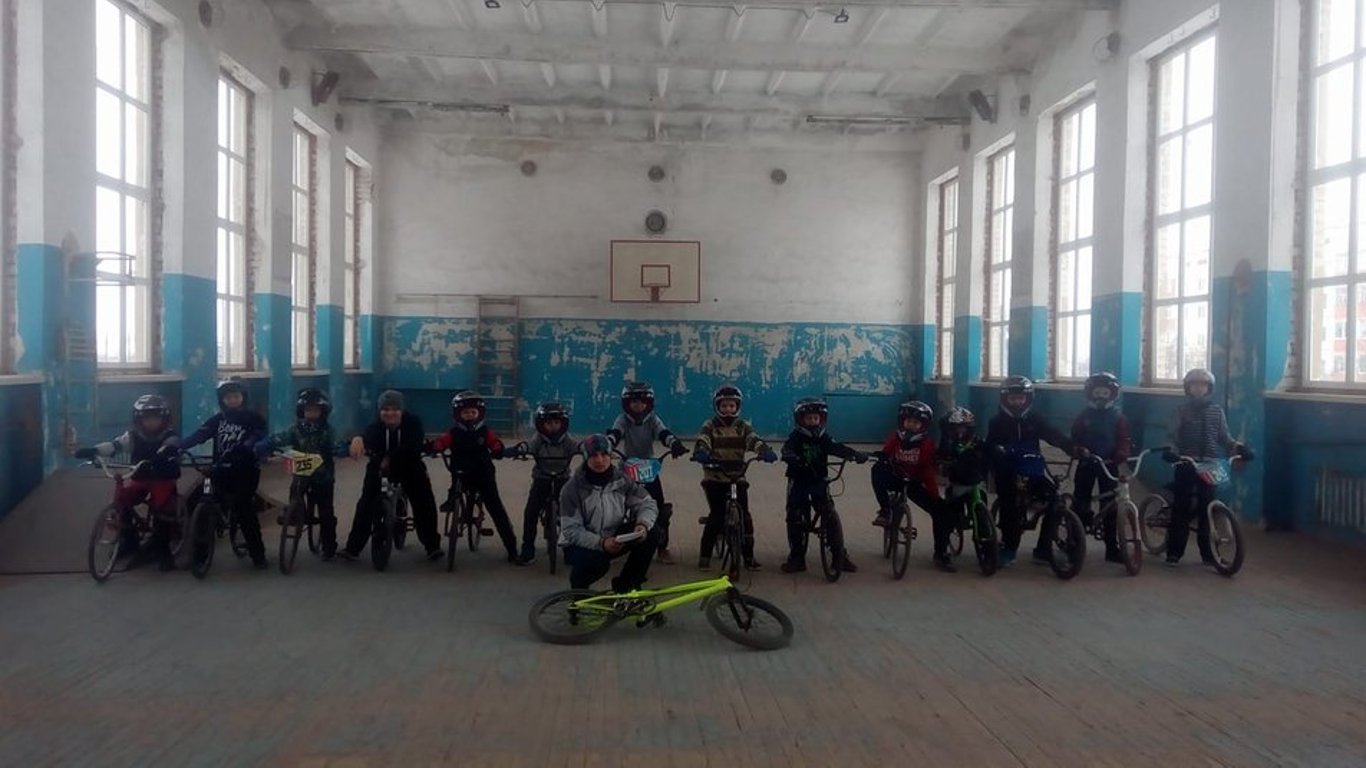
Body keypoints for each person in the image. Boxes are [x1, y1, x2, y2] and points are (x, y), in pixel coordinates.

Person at [73, 394, 182, 571]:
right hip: (141, 477)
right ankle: (129, 540)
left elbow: (170, 447)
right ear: (139, 420)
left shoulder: (170, 436)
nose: (151, 422)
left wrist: (164, 454)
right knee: (123, 501)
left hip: (163, 479)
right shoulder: (132, 436)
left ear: (164, 419)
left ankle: (163, 551)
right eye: (147, 418)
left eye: (156, 418)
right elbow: (115, 446)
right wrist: (93, 451)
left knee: (162, 511)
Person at [337, 389, 443, 562]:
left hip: (410, 466)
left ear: (402, 410)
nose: (390, 413)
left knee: (424, 502)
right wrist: (358, 439)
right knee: (366, 504)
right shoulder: (376, 426)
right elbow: (368, 437)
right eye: (385, 409)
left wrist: (390, 457)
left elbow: (413, 446)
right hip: (380, 467)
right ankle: (353, 548)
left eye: (395, 409)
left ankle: (432, 546)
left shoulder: (413, 423)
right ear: (380, 411)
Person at [1164, 368, 1253, 566]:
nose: (1198, 389)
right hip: (1186, 462)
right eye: (1194, 385)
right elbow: (1172, 436)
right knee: (1181, 507)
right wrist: (1171, 451)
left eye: (1203, 385)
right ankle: (1174, 551)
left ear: (1209, 388)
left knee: (1208, 507)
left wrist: (1239, 449)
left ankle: (1208, 553)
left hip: (1210, 465)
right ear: (1188, 388)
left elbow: (1225, 438)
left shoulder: (1217, 411)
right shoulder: (1181, 410)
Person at [985, 375, 1076, 568]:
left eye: (1021, 398)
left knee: (1055, 501)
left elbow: (1053, 435)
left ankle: (1043, 549)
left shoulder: (1035, 419)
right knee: (1010, 507)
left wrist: (1072, 448)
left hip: (1032, 470)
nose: (1017, 402)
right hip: (1007, 472)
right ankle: (1009, 548)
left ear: (1028, 399)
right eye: (1013, 399)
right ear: (1004, 399)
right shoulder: (996, 422)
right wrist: (997, 451)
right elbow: (990, 446)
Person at [180, 379, 269, 568]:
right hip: (220, 469)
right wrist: (179, 447)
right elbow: (200, 435)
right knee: (197, 502)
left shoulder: (253, 418)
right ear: (222, 400)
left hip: (246, 471)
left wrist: (248, 446)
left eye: (236, 396)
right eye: (228, 397)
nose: (232, 400)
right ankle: (199, 556)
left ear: (243, 397)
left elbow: (259, 436)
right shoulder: (218, 420)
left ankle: (258, 555)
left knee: (243, 508)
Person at [425, 391, 520, 564]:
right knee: (455, 485)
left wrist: (498, 449)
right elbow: (442, 442)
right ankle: (452, 499)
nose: (469, 415)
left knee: (496, 508)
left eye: (473, 412)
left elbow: (495, 443)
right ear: (458, 415)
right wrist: (434, 447)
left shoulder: (485, 432)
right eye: (465, 412)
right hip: (461, 473)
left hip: (483, 474)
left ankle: (512, 548)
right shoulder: (454, 433)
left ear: (479, 414)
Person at [559, 434, 660, 593]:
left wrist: (642, 524)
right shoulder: (572, 489)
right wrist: (602, 543)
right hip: (580, 544)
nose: (600, 460)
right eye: (594, 455)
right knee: (597, 563)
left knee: (652, 533)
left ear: (611, 455)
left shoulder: (622, 480)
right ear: (585, 458)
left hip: (614, 537)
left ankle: (627, 587)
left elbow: (647, 502)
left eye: (604, 454)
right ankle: (578, 594)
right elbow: (571, 530)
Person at [254, 388, 346, 560]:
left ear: (323, 412)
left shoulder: (328, 431)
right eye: (307, 410)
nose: (311, 414)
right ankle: (294, 512)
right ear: (301, 411)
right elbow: (281, 437)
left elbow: (337, 443)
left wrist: (341, 449)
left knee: (326, 511)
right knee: (295, 491)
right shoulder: (295, 429)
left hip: (323, 476)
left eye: (315, 410)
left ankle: (329, 546)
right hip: (302, 472)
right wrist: (266, 443)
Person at [692, 385, 777, 571]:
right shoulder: (710, 425)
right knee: (716, 516)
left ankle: (749, 557)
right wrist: (701, 452)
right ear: (717, 406)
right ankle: (705, 555)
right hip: (715, 476)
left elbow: (753, 440)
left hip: (737, 475)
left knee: (745, 516)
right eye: (724, 406)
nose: (728, 410)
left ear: (737, 406)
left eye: (731, 406)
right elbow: (703, 440)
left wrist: (764, 450)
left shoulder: (743, 426)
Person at [779, 397, 867, 574]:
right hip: (799, 480)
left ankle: (839, 556)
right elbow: (786, 449)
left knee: (830, 514)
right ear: (800, 420)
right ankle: (797, 557)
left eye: (816, 418)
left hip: (818, 480)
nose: (813, 422)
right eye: (809, 418)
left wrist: (854, 454)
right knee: (795, 515)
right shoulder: (796, 437)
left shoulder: (824, 437)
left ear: (822, 419)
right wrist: (792, 457)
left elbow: (837, 447)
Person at [606, 381, 688, 564]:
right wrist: (607, 444)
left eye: (643, 402)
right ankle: (610, 543)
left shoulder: (652, 419)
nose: (639, 405)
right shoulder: (622, 419)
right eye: (634, 402)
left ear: (649, 404)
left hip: (648, 468)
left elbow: (664, 433)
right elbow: (614, 434)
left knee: (660, 508)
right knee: (614, 506)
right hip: (627, 467)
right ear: (627, 403)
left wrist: (674, 444)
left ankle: (662, 548)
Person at [871, 401, 956, 572]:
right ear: (902, 421)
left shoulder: (927, 444)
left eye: (916, 423)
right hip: (895, 478)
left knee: (941, 511)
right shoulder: (896, 437)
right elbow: (886, 453)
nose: (911, 425)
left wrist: (934, 495)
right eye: (908, 421)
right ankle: (885, 510)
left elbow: (928, 471)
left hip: (914, 483)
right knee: (877, 469)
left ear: (923, 425)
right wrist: (880, 457)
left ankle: (941, 553)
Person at [1070, 372, 1132, 564]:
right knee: (1081, 500)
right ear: (1090, 394)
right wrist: (1079, 450)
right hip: (1087, 463)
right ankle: (1075, 542)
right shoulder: (1083, 417)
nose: (1100, 397)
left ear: (1113, 395)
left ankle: (1112, 548)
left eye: (1105, 393)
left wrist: (1122, 452)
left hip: (1109, 464)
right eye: (1097, 393)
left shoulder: (1119, 418)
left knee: (1110, 505)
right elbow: (1075, 437)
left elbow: (1124, 438)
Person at [509, 401, 580, 565]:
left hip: (563, 479)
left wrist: (587, 449)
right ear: (541, 425)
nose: (553, 426)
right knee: (531, 512)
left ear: (563, 424)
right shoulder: (538, 438)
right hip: (542, 478)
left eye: (556, 422)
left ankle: (570, 548)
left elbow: (578, 446)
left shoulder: (567, 439)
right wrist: (521, 450)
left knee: (571, 514)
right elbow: (529, 446)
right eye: (548, 423)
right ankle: (528, 549)